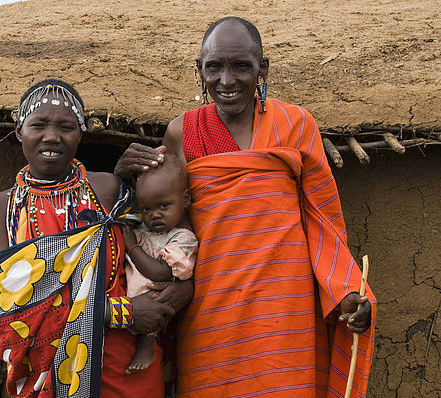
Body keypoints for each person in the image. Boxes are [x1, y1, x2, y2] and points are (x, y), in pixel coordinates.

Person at [115, 17, 376, 398]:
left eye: (240, 66)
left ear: (262, 69)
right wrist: (123, 178)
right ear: (198, 70)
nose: (226, 80)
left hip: (286, 305)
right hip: (210, 305)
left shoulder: (295, 124)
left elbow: (321, 219)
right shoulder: (182, 132)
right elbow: (161, 213)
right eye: (214, 67)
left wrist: (345, 290)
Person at [0, 79, 192, 398]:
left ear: (81, 134)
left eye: (66, 126)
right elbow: (10, 306)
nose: (52, 136)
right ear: (20, 130)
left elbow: (167, 237)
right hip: (49, 371)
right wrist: (123, 312)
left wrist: (183, 286)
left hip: (128, 362)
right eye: (38, 125)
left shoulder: (106, 189)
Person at [120, 154, 197, 374]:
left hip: (154, 297)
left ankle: (146, 348)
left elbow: (161, 273)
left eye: (164, 206)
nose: (155, 215)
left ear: (186, 199)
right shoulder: (145, 230)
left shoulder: (183, 239)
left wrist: (132, 248)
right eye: (146, 209)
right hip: (130, 303)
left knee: (157, 307)